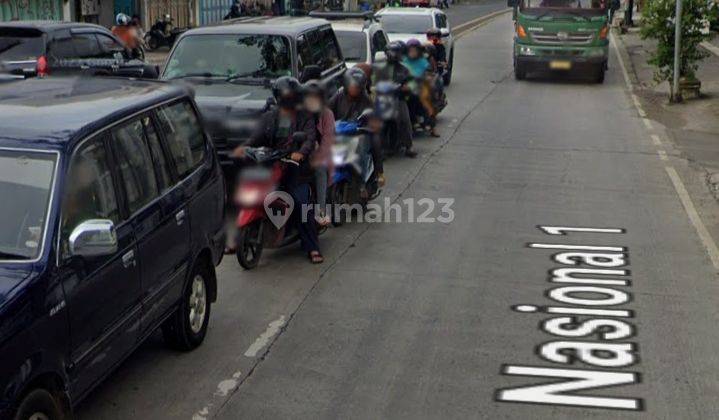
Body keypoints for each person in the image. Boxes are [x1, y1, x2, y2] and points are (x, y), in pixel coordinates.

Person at [233, 76, 324, 263]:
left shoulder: (305, 116)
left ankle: (312, 247)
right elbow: (256, 138)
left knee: (301, 204)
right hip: (271, 163)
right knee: (247, 191)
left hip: (296, 168)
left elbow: (309, 138)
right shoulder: (269, 117)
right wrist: (245, 148)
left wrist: (300, 153)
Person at [329, 68, 386, 195]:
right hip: (340, 134)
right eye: (352, 86)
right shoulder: (338, 97)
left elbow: (373, 118)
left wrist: (369, 125)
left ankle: (374, 175)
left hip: (359, 134)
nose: (354, 89)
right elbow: (327, 111)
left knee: (372, 142)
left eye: (357, 86)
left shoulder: (366, 100)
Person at [372, 41, 417, 157]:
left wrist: (406, 88)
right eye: (391, 52)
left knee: (404, 120)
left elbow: (412, 84)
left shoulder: (404, 69)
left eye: (396, 52)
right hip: (383, 99)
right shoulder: (379, 68)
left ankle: (409, 146)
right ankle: (380, 148)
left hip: (399, 98)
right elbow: (373, 83)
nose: (393, 55)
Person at [302, 80, 335, 227]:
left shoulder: (327, 115)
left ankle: (321, 209)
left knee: (320, 170)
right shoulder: (301, 114)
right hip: (299, 155)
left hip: (319, 156)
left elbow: (327, 141)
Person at [402, 38, 439, 137]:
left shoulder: (423, 62)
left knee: (425, 100)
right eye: (410, 50)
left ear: (418, 51)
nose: (412, 52)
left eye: (414, 50)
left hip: (420, 85)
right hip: (406, 86)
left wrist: (425, 77)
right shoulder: (404, 60)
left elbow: (428, 74)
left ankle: (432, 126)